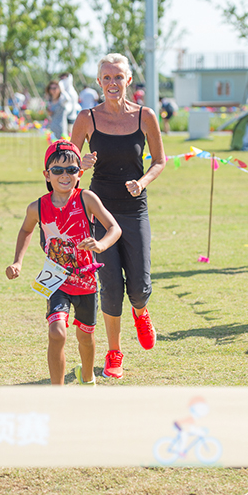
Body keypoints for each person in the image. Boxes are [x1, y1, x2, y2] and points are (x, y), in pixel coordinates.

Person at [70, 53, 166, 380]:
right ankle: (114, 351)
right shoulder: (87, 118)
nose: (113, 83)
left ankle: (141, 311)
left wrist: (143, 182)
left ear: (128, 81)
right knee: (110, 287)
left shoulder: (145, 116)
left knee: (138, 286)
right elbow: (67, 164)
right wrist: (79, 164)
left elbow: (159, 161)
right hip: (99, 210)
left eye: (118, 77)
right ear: (99, 82)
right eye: (107, 78)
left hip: (134, 209)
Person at [6, 140, 122, 385]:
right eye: (57, 170)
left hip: (86, 282)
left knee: (85, 337)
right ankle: (57, 392)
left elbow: (114, 228)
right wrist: (18, 261)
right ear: (47, 175)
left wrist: (101, 245)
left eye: (71, 169)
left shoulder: (86, 199)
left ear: (80, 173)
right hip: (56, 280)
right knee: (57, 332)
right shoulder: (37, 207)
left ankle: (87, 377)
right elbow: (26, 231)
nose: (64, 175)